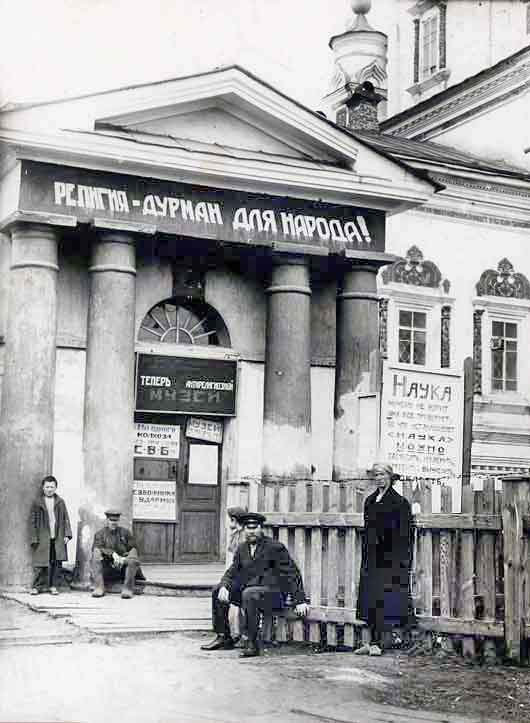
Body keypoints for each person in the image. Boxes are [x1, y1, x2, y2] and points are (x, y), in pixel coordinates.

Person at [201, 512, 309, 657]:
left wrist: (300, 600)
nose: (251, 531)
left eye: (254, 527)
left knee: (249, 593)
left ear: (261, 528)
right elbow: (232, 571)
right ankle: (223, 636)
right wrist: (224, 586)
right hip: (250, 595)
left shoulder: (274, 547)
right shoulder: (242, 549)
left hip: (273, 596)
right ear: (244, 529)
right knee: (217, 591)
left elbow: (292, 573)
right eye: (248, 528)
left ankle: (251, 642)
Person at [356, 463, 414, 656]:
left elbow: (405, 535)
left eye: (382, 474)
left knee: (385, 600)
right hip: (372, 557)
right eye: (376, 475)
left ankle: (380, 643)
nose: (379, 478)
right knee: (370, 599)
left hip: (390, 559)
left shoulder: (399, 503)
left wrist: (400, 561)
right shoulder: (371, 501)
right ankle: (370, 642)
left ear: (390, 476)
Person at [30, 475, 72, 595]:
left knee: (56, 562)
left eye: (52, 487)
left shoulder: (60, 502)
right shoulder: (37, 502)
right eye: (47, 487)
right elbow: (32, 522)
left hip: (57, 536)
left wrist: (67, 534)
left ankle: (53, 586)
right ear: (43, 488)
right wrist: (34, 537)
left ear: (56, 488)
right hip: (43, 537)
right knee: (40, 563)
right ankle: (37, 586)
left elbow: (66, 519)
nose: (49, 489)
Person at [91, 509, 145, 599]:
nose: (114, 523)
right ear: (107, 520)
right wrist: (112, 554)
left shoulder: (126, 533)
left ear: (118, 521)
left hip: (123, 568)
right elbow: (97, 548)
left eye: (116, 520)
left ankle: (128, 589)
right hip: (107, 568)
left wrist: (123, 559)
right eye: (111, 520)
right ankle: (99, 587)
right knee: (96, 553)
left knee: (133, 555)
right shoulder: (100, 534)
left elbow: (133, 548)